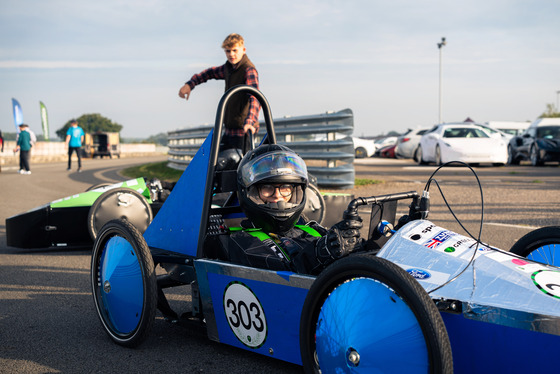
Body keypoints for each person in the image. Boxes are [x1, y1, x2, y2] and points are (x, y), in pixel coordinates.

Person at [204, 144, 364, 275]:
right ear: (250, 193)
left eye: (285, 188)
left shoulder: (311, 229)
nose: (278, 196)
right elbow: (283, 278)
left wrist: (360, 244)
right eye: (267, 188)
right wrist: (321, 252)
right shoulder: (239, 240)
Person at [178, 33, 261, 151]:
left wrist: (250, 121)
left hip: (244, 131)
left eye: (235, 50)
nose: (231, 54)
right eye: (228, 51)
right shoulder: (228, 68)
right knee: (218, 163)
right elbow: (210, 73)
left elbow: (255, 97)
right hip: (229, 130)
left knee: (239, 166)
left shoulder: (248, 70)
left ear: (243, 50)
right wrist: (190, 84)